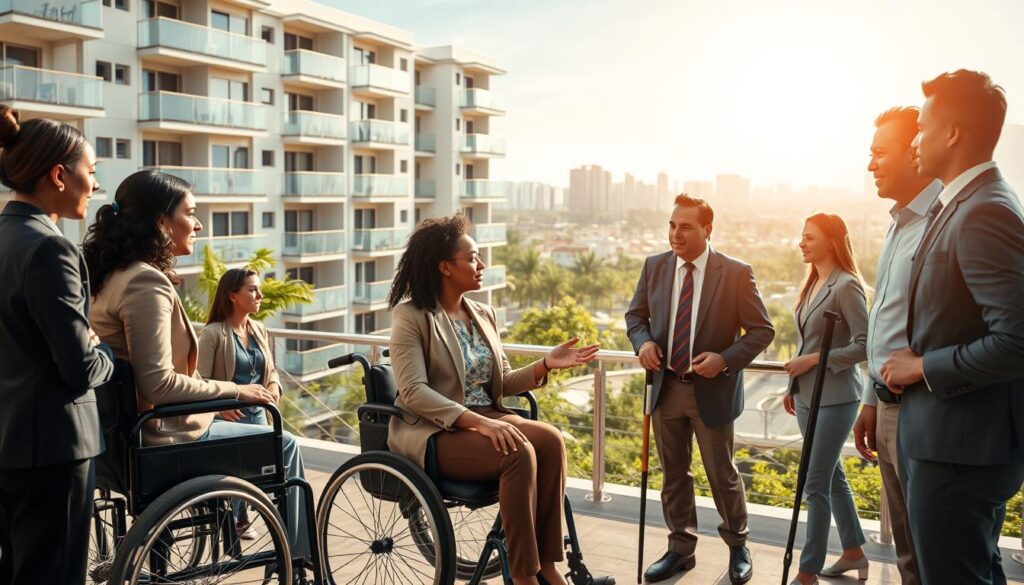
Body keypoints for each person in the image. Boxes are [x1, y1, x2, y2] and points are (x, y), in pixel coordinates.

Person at [83, 170, 310, 562]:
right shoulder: (145, 283)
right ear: (161, 222)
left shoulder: (110, 277)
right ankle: (302, 559)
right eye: (191, 212)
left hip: (116, 444)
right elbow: (159, 384)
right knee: (285, 443)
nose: (199, 223)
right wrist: (236, 390)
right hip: (162, 441)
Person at [386, 214, 599, 585]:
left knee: (550, 440)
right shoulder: (412, 316)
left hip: (487, 416)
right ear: (444, 266)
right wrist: (480, 422)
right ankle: (523, 575)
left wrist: (546, 363)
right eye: (472, 258)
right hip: (437, 431)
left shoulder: (483, 313)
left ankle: (548, 565)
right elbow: (414, 392)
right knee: (518, 451)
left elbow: (499, 384)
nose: (481, 265)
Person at [881, 69, 1024, 585]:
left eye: (921, 127)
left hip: (958, 453)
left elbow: (1017, 340)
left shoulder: (986, 211)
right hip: (947, 445)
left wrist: (921, 367)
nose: (915, 139)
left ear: (953, 133)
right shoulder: (959, 203)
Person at [625, 194, 774, 584]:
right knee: (674, 475)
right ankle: (680, 550)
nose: (676, 233)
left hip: (712, 391)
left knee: (721, 474)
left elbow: (762, 330)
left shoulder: (737, 272)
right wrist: (643, 343)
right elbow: (635, 316)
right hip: (665, 388)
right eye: (672, 225)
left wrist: (724, 359)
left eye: (685, 226)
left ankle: (738, 546)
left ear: (707, 229)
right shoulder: (654, 266)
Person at [0, 106, 115, 584]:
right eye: (90, 172)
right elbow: (80, 366)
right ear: (59, 175)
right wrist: (103, 351)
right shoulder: (51, 248)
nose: (94, 184)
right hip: (54, 448)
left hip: (9, 442)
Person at [851, 106, 938, 585]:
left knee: (935, 553)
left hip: (924, 410)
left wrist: (920, 371)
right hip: (886, 409)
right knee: (908, 552)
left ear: (916, 150)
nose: (871, 166)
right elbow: (885, 322)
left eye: (880, 153)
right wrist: (870, 400)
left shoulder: (946, 221)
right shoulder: (898, 223)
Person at [782, 213, 869, 585]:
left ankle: (807, 572)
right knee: (832, 477)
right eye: (801, 236)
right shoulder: (814, 282)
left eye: (809, 237)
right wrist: (793, 387)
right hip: (807, 396)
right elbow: (807, 342)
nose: (801, 243)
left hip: (837, 398)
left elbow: (865, 346)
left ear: (831, 242)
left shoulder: (846, 285)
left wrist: (815, 361)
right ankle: (853, 552)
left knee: (813, 484)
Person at [198, 268, 283, 540]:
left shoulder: (259, 329)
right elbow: (198, 380)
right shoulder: (213, 334)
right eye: (253, 289)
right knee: (237, 475)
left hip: (259, 413)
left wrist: (273, 386)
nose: (260, 294)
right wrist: (217, 406)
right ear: (233, 296)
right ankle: (236, 521)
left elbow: (271, 370)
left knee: (264, 473)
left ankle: (257, 519)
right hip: (227, 419)